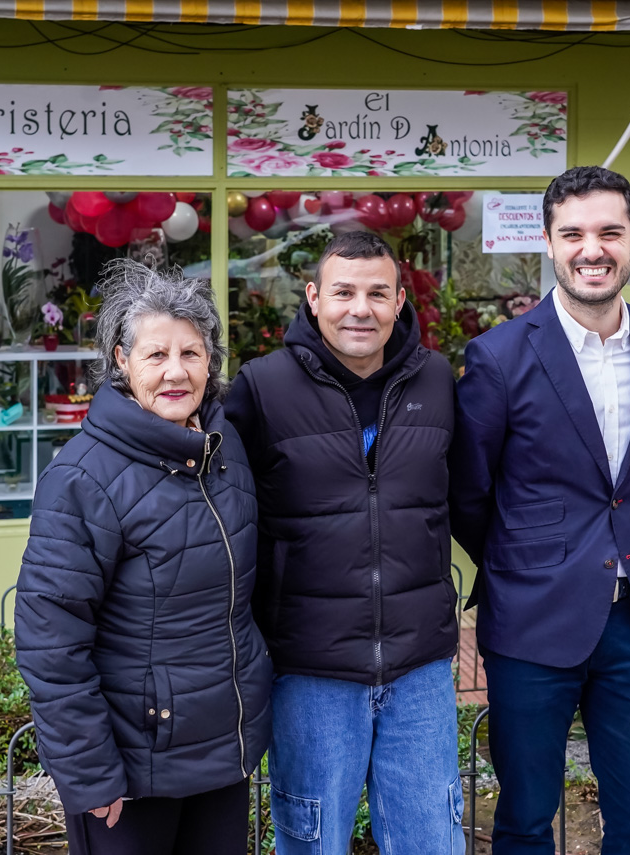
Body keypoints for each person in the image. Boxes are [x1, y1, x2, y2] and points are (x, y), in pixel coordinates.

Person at [450, 165, 630, 855]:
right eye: (575, 233)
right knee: (525, 820)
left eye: (610, 231)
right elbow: (469, 489)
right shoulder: (498, 357)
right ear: (550, 243)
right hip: (532, 618)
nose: (594, 248)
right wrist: (529, 557)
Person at [14, 259, 272, 855]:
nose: (176, 372)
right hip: (130, 771)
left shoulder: (223, 445)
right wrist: (90, 773)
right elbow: (52, 642)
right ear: (121, 363)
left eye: (192, 353)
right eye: (156, 356)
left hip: (222, 751)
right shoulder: (83, 476)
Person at [223, 231, 462, 855]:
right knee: (312, 840)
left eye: (378, 293)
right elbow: (223, 508)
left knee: (431, 838)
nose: (361, 308)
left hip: (421, 666)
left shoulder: (437, 379)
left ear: (401, 300)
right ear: (312, 297)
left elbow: (468, 495)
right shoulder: (262, 388)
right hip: (310, 664)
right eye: (344, 292)